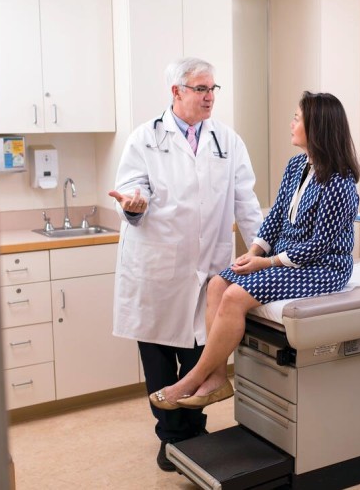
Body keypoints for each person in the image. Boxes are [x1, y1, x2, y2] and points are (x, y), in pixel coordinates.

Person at [148, 91, 360, 410]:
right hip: (287, 259)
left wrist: (266, 262)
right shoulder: (296, 166)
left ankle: (193, 379)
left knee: (234, 297)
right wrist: (256, 250)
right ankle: (217, 378)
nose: (291, 124)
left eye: (296, 118)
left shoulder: (340, 184)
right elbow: (275, 216)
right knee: (218, 284)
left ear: (316, 128)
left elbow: (318, 247)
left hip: (323, 267)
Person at [108, 58, 263, 472]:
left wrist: (263, 252)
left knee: (199, 356)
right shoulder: (145, 138)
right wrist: (135, 204)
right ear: (176, 92)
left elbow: (247, 203)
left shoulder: (227, 141)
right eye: (200, 88)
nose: (210, 96)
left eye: (213, 88)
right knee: (159, 357)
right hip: (157, 268)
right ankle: (172, 438)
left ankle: (194, 431)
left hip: (207, 267)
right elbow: (130, 190)